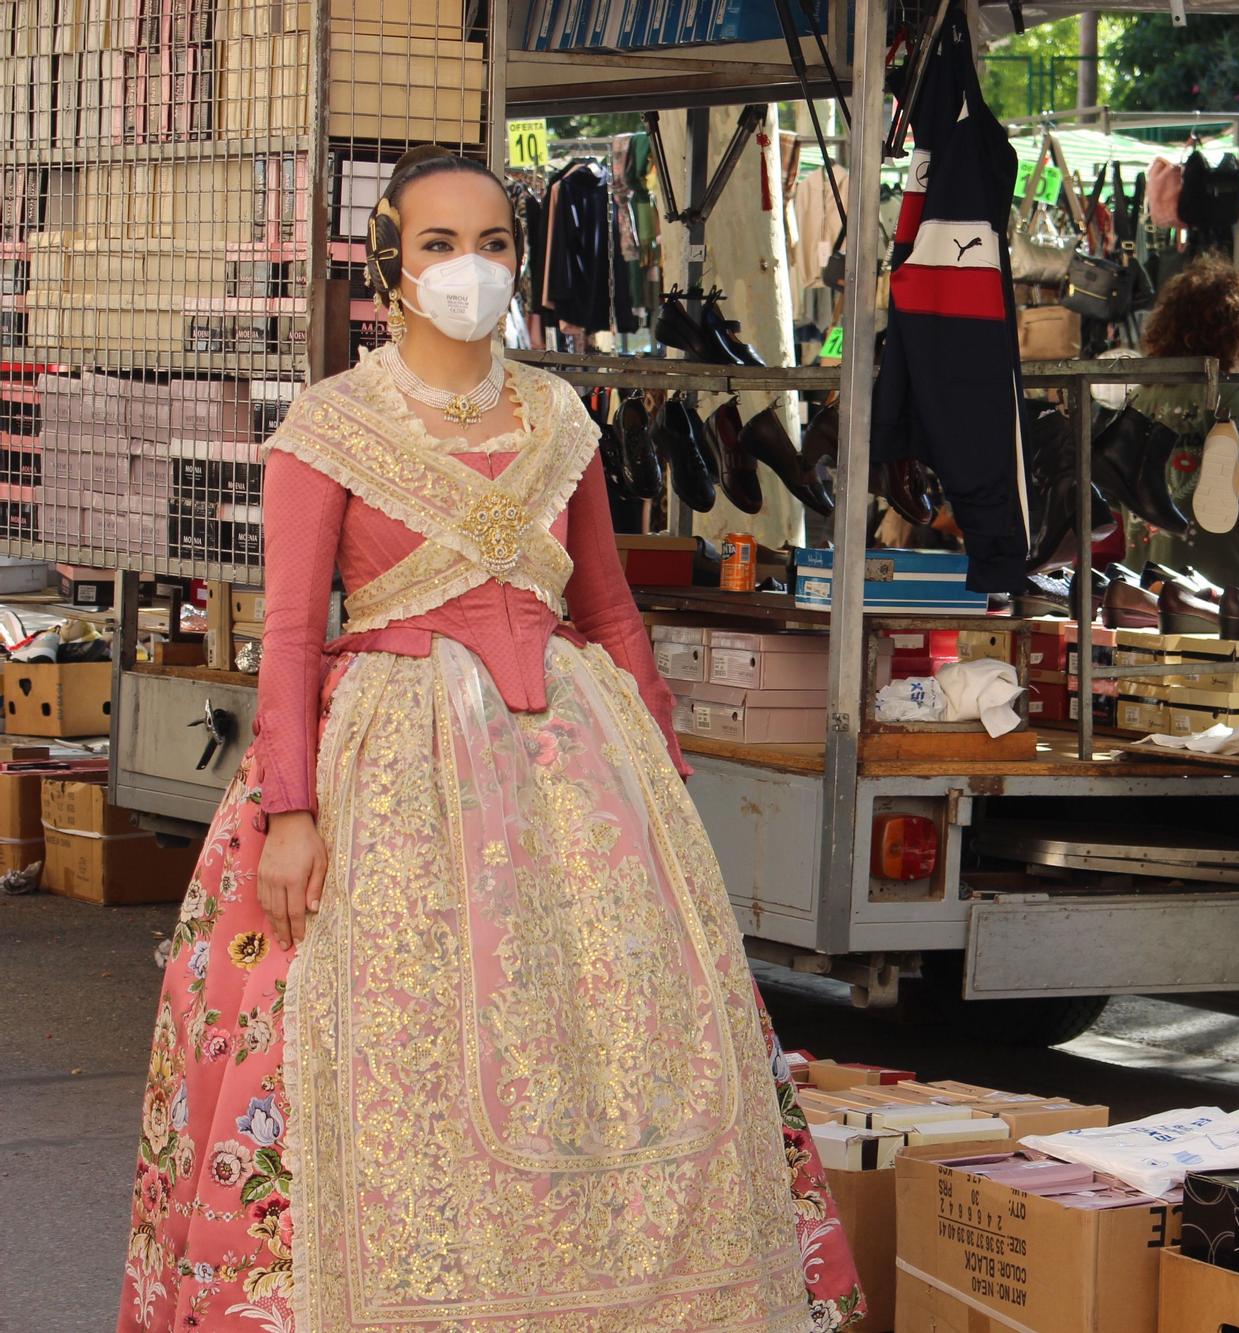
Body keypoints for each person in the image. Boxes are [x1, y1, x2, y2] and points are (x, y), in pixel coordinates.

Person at [117, 148, 856, 1333]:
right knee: (379, 1055)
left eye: (495, 243)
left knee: (614, 1049)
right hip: (389, 766)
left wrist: (663, 774)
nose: (472, 268)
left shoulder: (558, 414)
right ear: (391, 271)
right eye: (440, 245)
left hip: (575, 764)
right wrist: (291, 813)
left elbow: (607, 608)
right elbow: (295, 636)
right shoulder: (330, 423)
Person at [1123, 256, 1239, 592]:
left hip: (1149, 569)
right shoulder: (1228, 394)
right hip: (1221, 570)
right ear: (1231, 332)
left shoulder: (1142, 393)